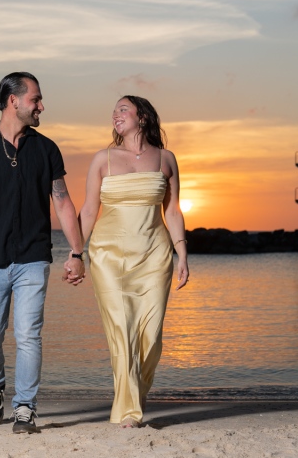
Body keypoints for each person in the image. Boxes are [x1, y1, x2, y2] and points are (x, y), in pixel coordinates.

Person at [0, 72, 85, 434]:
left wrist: (77, 252)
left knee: (29, 335)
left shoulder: (46, 149)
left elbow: (62, 202)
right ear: (13, 100)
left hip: (33, 257)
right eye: (36, 99)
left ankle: (26, 407)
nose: (41, 106)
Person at [78, 95, 189, 428]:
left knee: (151, 336)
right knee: (121, 330)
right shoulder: (103, 159)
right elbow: (87, 211)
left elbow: (172, 210)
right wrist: (74, 252)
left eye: (122, 109)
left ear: (143, 117)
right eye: (113, 111)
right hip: (108, 255)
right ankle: (128, 412)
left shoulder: (166, 159)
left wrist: (181, 252)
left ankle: (134, 398)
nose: (115, 114)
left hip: (155, 255)